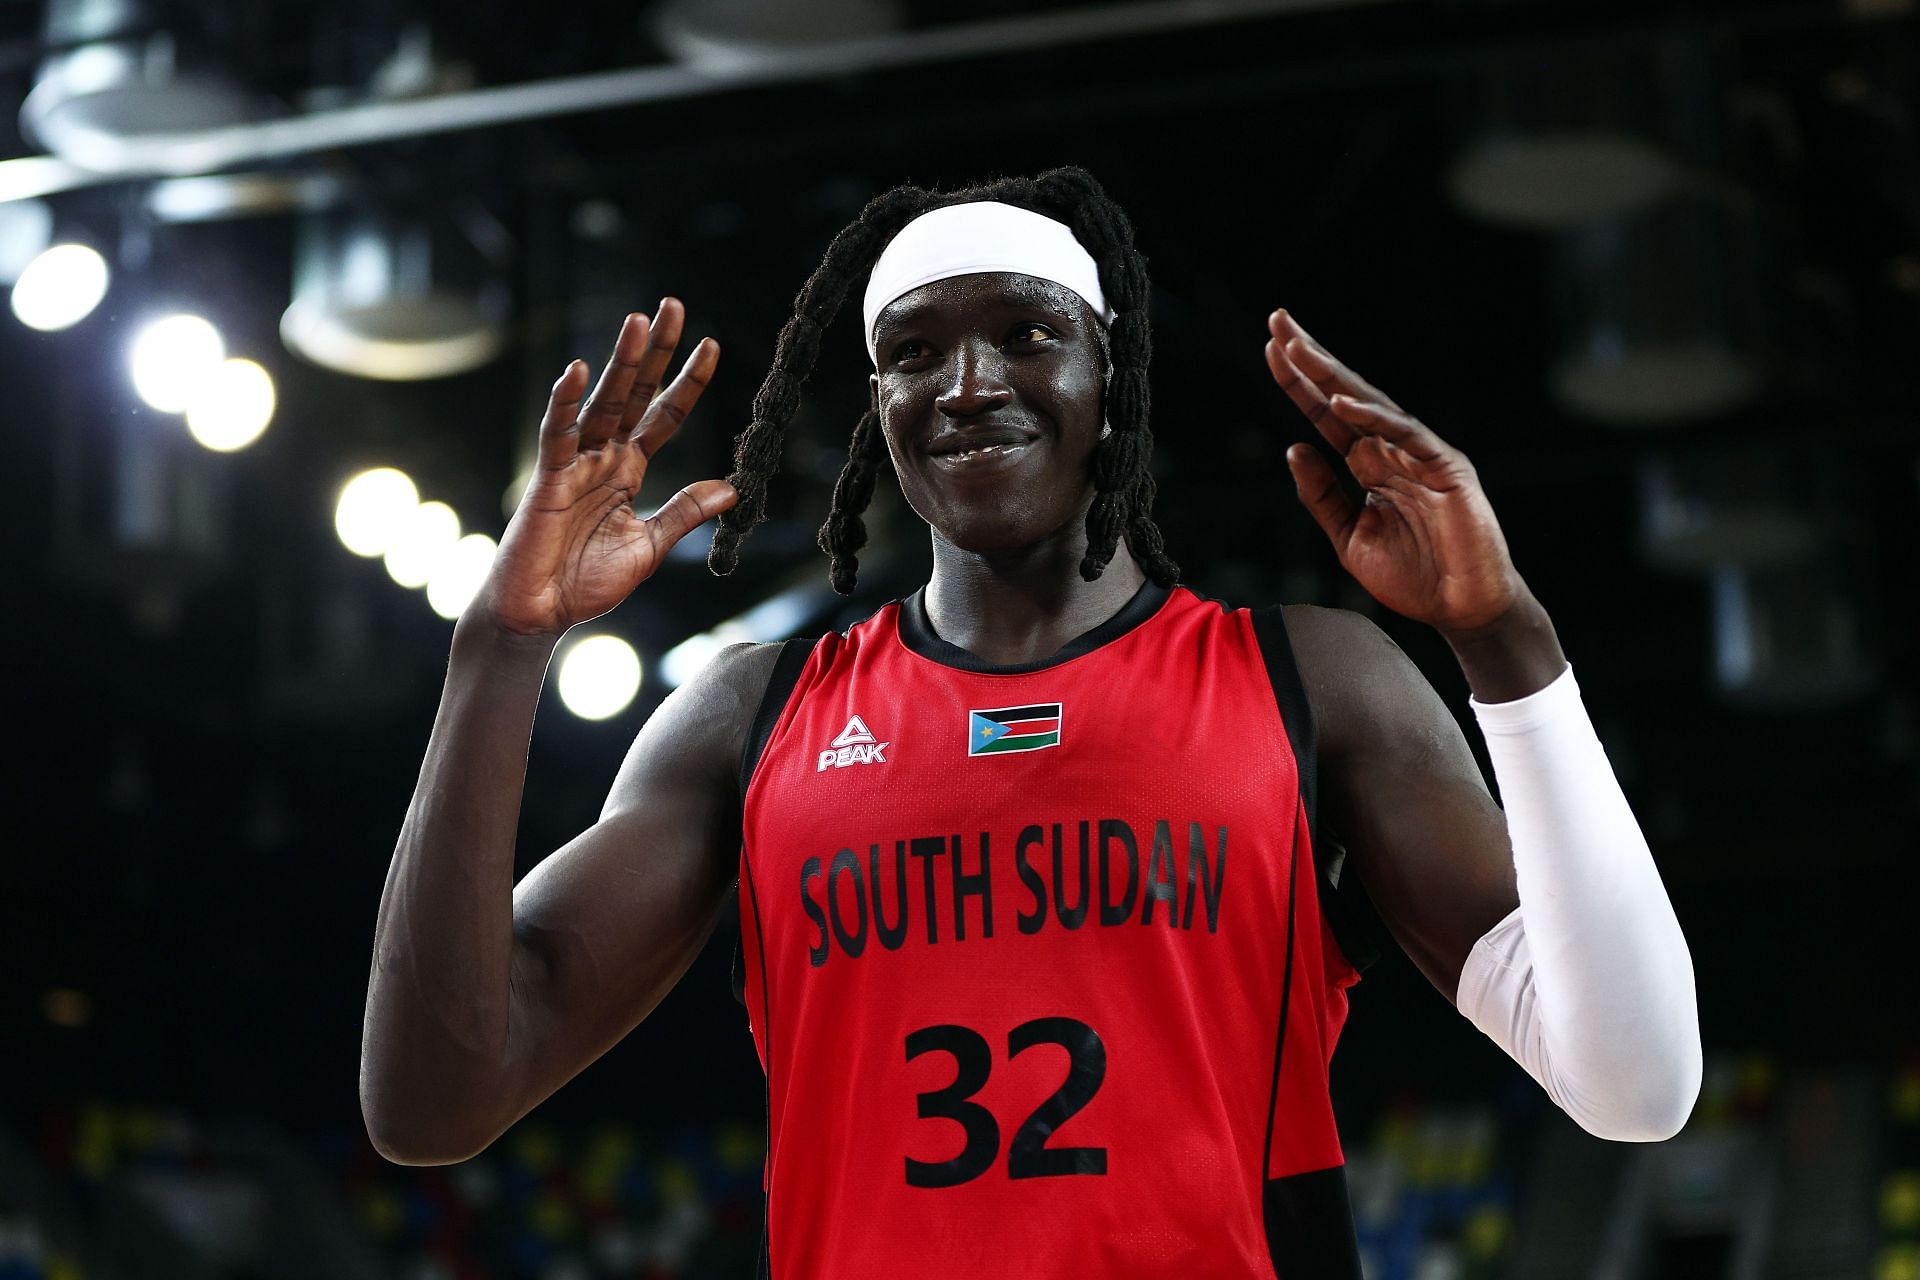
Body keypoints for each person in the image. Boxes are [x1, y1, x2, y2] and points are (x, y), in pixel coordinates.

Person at [360, 167, 1701, 1277]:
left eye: (1025, 333)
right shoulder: (748, 718)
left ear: (1108, 375)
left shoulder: (1310, 679)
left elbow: (1633, 1084)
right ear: (878, 409)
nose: (966, 384)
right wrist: (499, 651)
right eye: (913, 355)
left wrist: (1504, 642)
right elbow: (434, 1099)